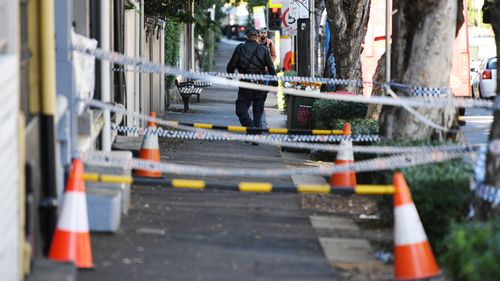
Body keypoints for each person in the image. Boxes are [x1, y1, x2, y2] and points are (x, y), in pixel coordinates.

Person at [226, 28, 277, 132]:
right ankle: (255, 133)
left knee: (241, 110)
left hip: (246, 84)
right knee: (258, 112)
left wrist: (230, 76)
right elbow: (271, 67)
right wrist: (274, 82)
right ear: (257, 37)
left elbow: (231, 66)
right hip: (260, 85)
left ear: (247, 36)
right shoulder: (263, 50)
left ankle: (251, 129)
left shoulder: (240, 48)